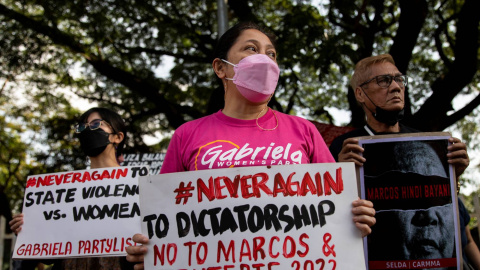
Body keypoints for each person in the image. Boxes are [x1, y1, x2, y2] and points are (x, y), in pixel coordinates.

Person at [125, 22, 376, 269]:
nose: (265, 60)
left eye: (271, 54)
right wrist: (150, 249)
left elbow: (334, 207)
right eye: (251, 49)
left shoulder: (304, 130)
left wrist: (355, 217)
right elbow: (164, 214)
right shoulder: (186, 134)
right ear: (221, 68)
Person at [329, 54, 480, 269]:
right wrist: (339, 175)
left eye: (399, 79)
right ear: (360, 93)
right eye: (383, 81)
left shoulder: (429, 144)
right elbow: (332, 217)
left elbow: (455, 222)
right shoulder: (343, 147)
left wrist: (454, 176)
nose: (395, 87)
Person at [10, 107, 133, 270]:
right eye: (82, 127)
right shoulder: (63, 190)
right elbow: (47, 254)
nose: (88, 130)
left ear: (118, 137)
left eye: (96, 124)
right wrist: (28, 233)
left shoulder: (136, 184)